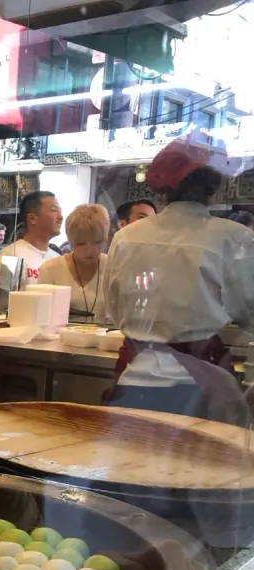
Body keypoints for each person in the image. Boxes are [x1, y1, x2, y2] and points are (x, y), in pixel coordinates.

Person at [104, 136, 254, 425]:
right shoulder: (233, 237)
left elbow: (112, 310)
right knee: (195, 469)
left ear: (162, 189)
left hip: (134, 378)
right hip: (201, 385)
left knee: (132, 464)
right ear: (215, 185)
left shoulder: (126, 237)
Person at [38, 204, 110, 323]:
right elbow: (40, 316)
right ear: (71, 242)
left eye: (97, 242)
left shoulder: (112, 266)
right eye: (81, 243)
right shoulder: (50, 269)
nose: (90, 250)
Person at [0, 191, 63, 297]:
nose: (60, 217)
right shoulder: (12, 256)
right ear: (32, 218)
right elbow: (0, 306)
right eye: (54, 210)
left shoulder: (58, 259)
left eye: (60, 211)